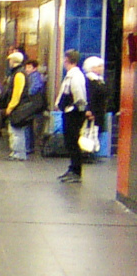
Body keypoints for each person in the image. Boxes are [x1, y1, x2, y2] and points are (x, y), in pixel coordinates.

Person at [55, 50, 89, 182]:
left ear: (67, 59)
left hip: (73, 113)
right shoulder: (71, 75)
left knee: (72, 141)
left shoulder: (76, 76)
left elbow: (79, 95)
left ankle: (76, 171)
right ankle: (73, 168)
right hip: (70, 112)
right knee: (70, 142)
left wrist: (75, 107)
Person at [1, 51, 29, 160]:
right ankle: (17, 152)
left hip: (18, 108)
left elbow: (17, 93)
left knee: (16, 131)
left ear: (13, 61)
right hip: (19, 107)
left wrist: (11, 106)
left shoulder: (18, 74)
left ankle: (19, 153)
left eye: (10, 60)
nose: (9, 62)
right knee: (15, 131)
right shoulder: (18, 73)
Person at [83, 56, 110, 158]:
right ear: (92, 67)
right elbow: (89, 96)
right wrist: (89, 110)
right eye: (99, 66)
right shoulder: (89, 81)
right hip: (92, 111)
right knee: (88, 132)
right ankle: (86, 153)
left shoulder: (99, 80)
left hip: (99, 111)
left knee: (94, 131)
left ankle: (90, 152)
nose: (101, 68)